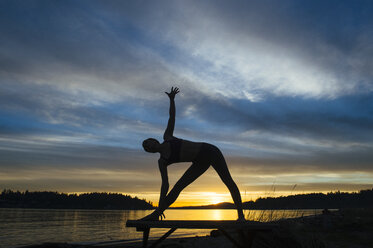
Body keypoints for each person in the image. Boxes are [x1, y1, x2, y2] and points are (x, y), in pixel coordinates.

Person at [141, 87, 245, 221]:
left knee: (228, 181)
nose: (148, 146)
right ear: (150, 152)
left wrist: (172, 100)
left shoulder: (167, 137)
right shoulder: (162, 161)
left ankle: (241, 216)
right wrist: (160, 204)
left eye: (148, 142)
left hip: (210, 151)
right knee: (177, 187)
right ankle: (156, 215)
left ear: (153, 140)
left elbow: (172, 117)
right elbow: (165, 184)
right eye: (147, 148)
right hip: (199, 162)